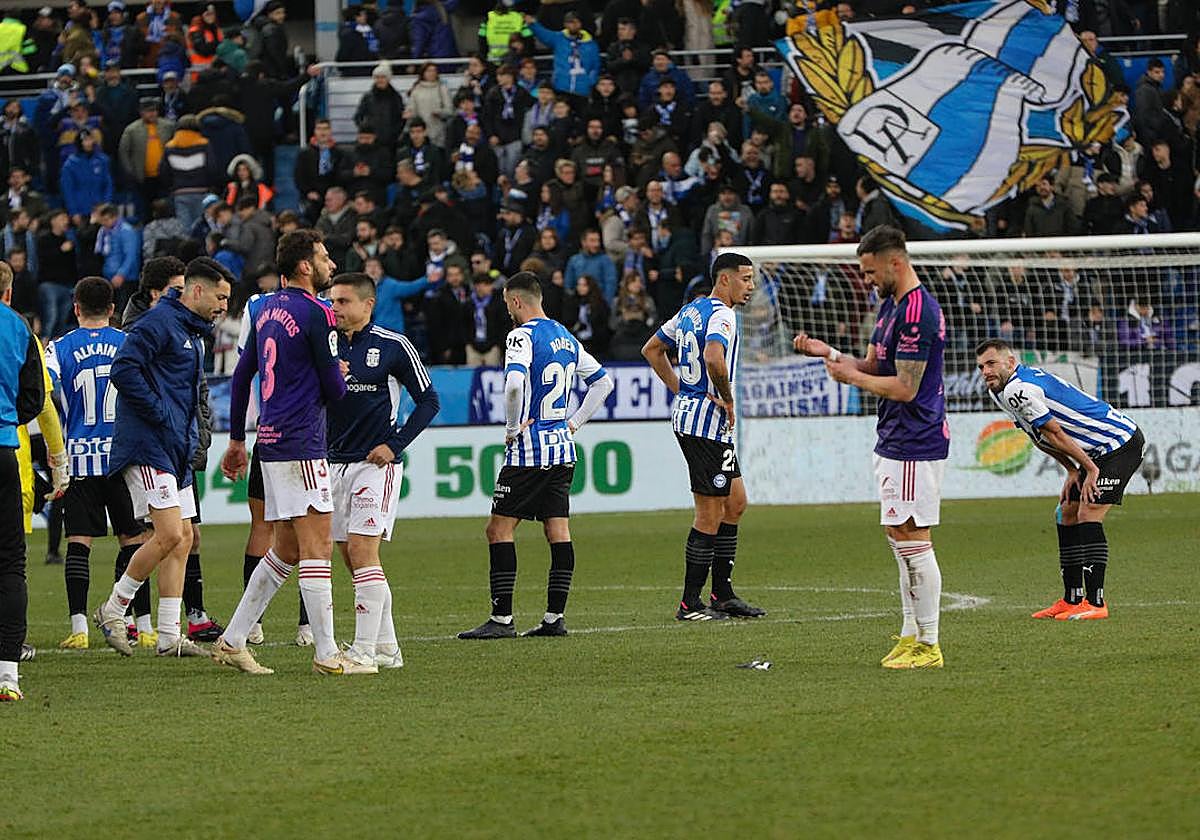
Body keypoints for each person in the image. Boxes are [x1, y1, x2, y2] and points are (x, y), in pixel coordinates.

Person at [795, 226, 949, 670]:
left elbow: (904, 387)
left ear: (894, 263)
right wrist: (832, 354)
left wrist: (852, 378)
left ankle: (930, 644)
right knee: (899, 535)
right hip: (894, 435)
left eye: (869, 272)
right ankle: (910, 634)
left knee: (913, 536)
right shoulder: (890, 305)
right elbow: (874, 366)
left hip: (914, 438)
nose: (866, 280)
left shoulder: (917, 312)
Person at [214, 230, 362, 676]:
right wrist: (339, 372)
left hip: (270, 440)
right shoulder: (319, 312)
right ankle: (327, 654)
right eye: (324, 257)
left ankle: (233, 639)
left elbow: (242, 376)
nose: (331, 264)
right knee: (318, 545)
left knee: (286, 549)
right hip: (302, 442)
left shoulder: (264, 308)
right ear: (304, 266)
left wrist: (237, 440)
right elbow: (335, 390)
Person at [458, 271, 613, 639]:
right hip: (562, 447)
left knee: (498, 529)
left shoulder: (521, 336)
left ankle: (501, 620)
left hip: (529, 450)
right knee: (557, 529)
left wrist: (512, 428)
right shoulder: (565, 336)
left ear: (516, 301)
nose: (507, 311)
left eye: (506, 304)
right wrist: (573, 423)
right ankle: (554, 618)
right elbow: (603, 383)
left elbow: (513, 385)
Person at [90, 256, 231, 658]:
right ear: (197, 290)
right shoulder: (157, 322)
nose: (224, 306)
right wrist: (160, 414)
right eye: (220, 297)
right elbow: (123, 370)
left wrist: (186, 433)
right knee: (168, 534)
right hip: (149, 445)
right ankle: (113, 609)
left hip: (175, 447)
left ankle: (169, 636)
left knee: (184, 538)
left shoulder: (190, 331)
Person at [975, 339, 1143, 621]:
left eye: (991, 364)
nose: (986, 371)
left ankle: (1096, 602)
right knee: (1066, 512)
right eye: (981, 367)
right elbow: (1038, 435)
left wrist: (1089, 469)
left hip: (1118, 443)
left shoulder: (1018, 389)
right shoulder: (1000, 391)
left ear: (1010, 362)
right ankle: (1071, 598)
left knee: (1088, 512)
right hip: (1096, 452)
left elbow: (1055, 432)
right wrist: (1072, 470)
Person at [326, 272, 440, 669]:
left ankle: (363, 652)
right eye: (332, 301)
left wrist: (394, 445)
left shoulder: (394, 345)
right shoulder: (326, 344)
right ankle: (388, 649)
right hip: (333, 463)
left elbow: (429, 401)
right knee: (351, 557)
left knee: (363, 551)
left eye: (343, 301)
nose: (335, 308)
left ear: (367, 304)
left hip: (375, 467)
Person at [641, 251, 762, 621]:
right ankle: (690, 603)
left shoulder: (691, 310)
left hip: (698, 420)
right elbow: (713, 357)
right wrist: (727, 399)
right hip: (705, 425)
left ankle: (722, 594)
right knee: (709, 512)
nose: (751, 286)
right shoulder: (723, 315)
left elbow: (652, 349)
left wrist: (682, 390)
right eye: (745, 278)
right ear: (724, 279)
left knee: (735, 503)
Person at [45, 277, 149, 650]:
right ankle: (143, 625)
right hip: (122, 458)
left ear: (75, 307)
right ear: (112, 308)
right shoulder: (129, 342)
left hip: (79, 459)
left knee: (79, 543)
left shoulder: (59, 347)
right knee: (134, 541)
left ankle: (79, 630)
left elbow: (44, 391)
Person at [0, 261, 53, 701]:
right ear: (8, 292)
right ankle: (8, 674)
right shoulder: (18, 327)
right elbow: (35, 397)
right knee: (10, 564)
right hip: (3, 451)